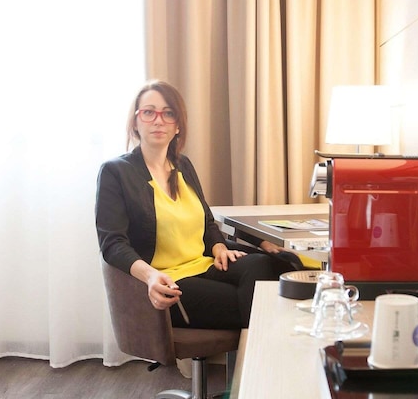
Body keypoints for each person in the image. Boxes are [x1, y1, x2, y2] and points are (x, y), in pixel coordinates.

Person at [95, 80, 294, 330]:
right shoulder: (116, 172)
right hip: (167, 279)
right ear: (135, 122)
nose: (158, 120)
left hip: (203, 263)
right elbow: (112, 244)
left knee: (268, 266)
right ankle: (259, 350)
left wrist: (219, 247)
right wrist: (150, 276)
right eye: (148, 112)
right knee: (257, 299)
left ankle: (254, 349)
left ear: (178, 125)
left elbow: (207, 221)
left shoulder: (182, 165)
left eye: (168, 113)